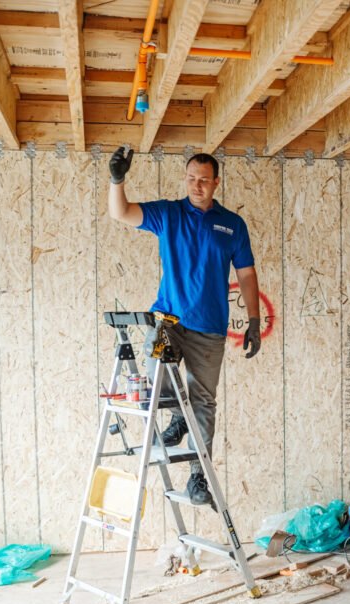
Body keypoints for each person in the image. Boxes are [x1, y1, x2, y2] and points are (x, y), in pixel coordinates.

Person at [108, 147, 262, 505]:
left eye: (204, 180)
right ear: (186, 179)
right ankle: (177, 417)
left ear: (216, 183)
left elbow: (247, 274)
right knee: (156, 372)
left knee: (204, 402)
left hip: (210, 330)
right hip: (170, 321)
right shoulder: (169, 214)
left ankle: (198, 478)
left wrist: (254, 320)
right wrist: (117, 180)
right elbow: (121, 212)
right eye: (192, 179)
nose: (197, 185)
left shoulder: (232, 225)